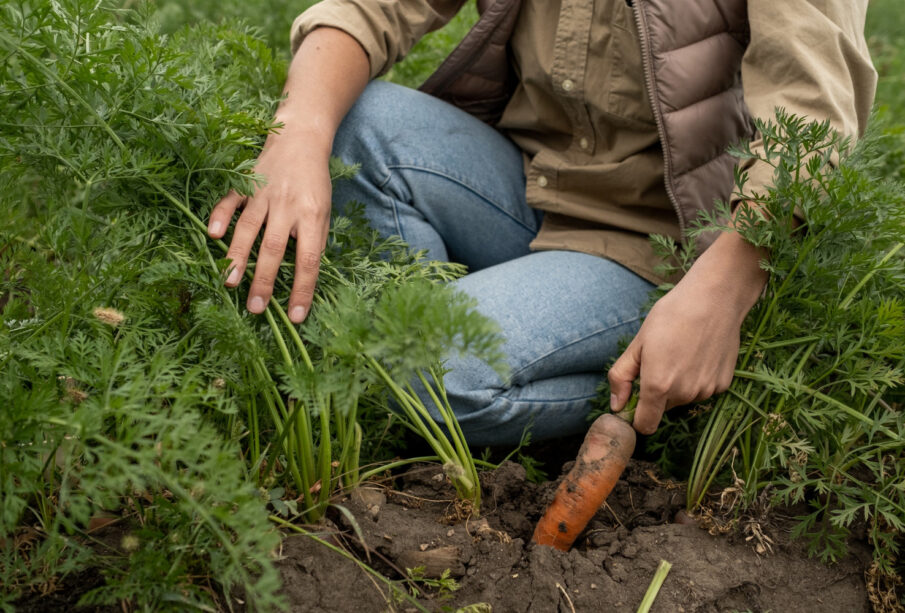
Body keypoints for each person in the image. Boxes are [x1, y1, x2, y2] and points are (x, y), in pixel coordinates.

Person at [206, 0, 876, 446]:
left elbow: (813, 114)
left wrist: (720, 292)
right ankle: (461, 352)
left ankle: (659, 384)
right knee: (357, 120)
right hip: (524, 188)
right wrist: (294, 136)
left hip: (664, 249)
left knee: (419, 369)